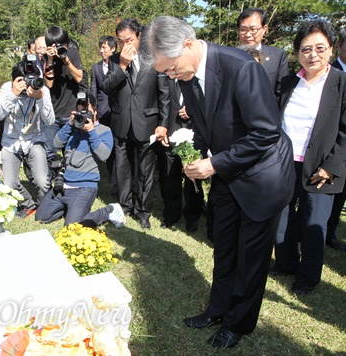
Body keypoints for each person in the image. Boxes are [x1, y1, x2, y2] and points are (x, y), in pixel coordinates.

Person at [141, 16, 295, 348]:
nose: (170, 76)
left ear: (187, 44)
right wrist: (195, 155)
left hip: (262, 177)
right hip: (227, 173)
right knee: (224, 246)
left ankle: (237, 324)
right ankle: (217, 308)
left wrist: (214, 164)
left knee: (250, 258)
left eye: (171, 68)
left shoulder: (240, 67)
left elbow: (266, 133)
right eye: (164, 72)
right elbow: (204, 125)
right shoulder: (183, 74)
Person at [272, 19, 346, 294]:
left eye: (319, 48)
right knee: (282, 216)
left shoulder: (341, 83)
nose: (312, 54)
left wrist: (331, 167)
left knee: (314, 224)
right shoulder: (290, 82)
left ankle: (308, 277)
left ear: (331, 49)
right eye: (305, 49)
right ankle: (285, 262)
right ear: (297, 53)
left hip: (321, 168)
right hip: (286, 162)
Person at [101, 18, 169, 229]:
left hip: (147, 122)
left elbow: (164, 94)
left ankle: (143, 211)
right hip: (121, 122)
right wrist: (122, 65)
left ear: (140, 36)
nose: (125, 45)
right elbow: (106, 87)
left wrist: (164, 122)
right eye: (121, 41)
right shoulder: (114, 61)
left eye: (129, 40)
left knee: (145, 170)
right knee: (122, 168)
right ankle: (125, 206)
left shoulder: (153, 58)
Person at [35, 93, 125, 229]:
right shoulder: (73, 128)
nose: (82, 115)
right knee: (41, 217)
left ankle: (109, 211)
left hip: (85, 188)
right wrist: (69, 124)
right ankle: (71, 209)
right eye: (79, 112)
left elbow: (104, 155)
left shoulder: (104, 131)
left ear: (95, 111)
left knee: (73, 226)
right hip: (63, 185)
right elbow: (56, 143)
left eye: (86, 111)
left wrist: (91, 132)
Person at [0, 59, 54, 218]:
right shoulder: (7, 88)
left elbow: (50, 121)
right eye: (23, 80)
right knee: (9, 184)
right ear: (14, 80)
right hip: (11, 141)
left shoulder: (41, 89)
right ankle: (29, 203)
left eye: (31, 78)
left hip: (34, 139)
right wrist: (13, 95)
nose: (28, 83)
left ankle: (42, 204)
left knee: (43, 182)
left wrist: (40, 98)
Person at [155, 77, 205, 232]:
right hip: (170, 133)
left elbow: (207, 102)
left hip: (194, 134)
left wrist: (191, 110)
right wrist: (163, 128)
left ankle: (192, 216)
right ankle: (171, 214)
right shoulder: (166, 78)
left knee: (192, 179)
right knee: (170, 177)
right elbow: (162, 101)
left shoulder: (199, 79)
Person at [43, 26, 87, 169]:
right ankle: (54, 179)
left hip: (70, 112)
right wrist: (50, 60)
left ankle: (70, 181)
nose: (59, 48)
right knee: (49, 152)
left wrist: (65, 59)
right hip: (53, 115)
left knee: (71, 152)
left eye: (62, 44)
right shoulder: (46, 58)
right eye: (54, 45)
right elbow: (49, 84)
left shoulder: (73, 54)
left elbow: (79, 77)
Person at [237, 8, 289, 97]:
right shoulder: (229, 55)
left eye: (253, 29)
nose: (247, 34)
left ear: (264, 29)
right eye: (243, 29)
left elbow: (281, 93)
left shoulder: (278, 56)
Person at [326, 26, 346, 252]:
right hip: (329, 147)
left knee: (341, 193)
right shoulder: (328, 74)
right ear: (339, 46)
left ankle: (329, 232)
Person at [90, 35, 117, 196]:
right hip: (102, 112)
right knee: (106, 145)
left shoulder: (120, 65)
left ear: (113, 48)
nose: (101, 50)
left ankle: (117, 179)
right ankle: (109, 176)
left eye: (104, 47)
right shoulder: (96, 68)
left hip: (119, 113)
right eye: (100, 47)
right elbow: (94, 89)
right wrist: (94, 110)